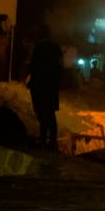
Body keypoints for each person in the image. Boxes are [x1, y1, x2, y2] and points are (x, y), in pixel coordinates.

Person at [27, 24, 63, 152]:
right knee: (50, 113)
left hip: (41, 86)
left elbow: (34, 67)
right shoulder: (56, 47)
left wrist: (31, 82)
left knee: (42, 114)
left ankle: (43, 139)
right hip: (52, 86)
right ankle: (52, 141)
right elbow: (59, 67)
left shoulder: (39, 48)